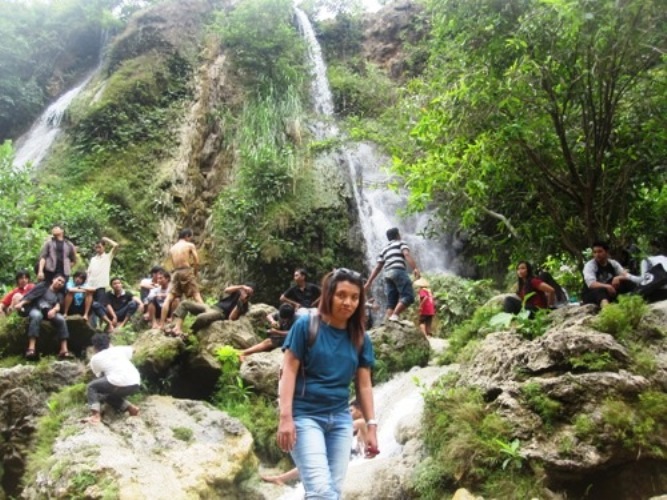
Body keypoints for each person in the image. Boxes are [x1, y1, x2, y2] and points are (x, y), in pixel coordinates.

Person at [278, 268, 378, 499]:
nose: (348, 302)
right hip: (305, 417)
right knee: (322, 493)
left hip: (341, 421)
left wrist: (371, 426)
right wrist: (285, 418)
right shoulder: (306, 326)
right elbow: (288, 371)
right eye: (341, 295)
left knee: (330, 492)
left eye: (354, 297)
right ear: (328, 295)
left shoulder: (361, 338)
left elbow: (364, 385)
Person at [262, 400, 368, 486]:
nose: (349, 413)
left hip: (351, 458)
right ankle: (280, 478)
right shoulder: (358, 426)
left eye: (351, 411)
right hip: (350, 457)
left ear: (361, 411)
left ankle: (280, 478)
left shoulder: (361, 422)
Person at [365, 227, 420, 322]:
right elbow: (406, 254)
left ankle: (388, 323)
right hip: (398, 271)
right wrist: (415, 268)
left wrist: (369, 282)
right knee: (408, 296)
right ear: (398, 235)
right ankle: (395, 315)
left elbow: (378, 267)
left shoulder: (384, 249)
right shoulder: (401, 243)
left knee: (392, 301)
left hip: (387, 275)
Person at [83, 333, 140, 424]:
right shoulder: (118, 349)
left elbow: (100, 375)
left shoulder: (95, 358)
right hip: (135, 382)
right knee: (105, 396)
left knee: (91, 387)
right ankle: (131, 408)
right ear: (109, 343)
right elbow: (134, 350)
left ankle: (95, 415)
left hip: (118, 382)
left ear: (95, 347)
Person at [14, 274, 73, 360]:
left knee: (61, 319)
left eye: (63, 282)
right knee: (37, 316)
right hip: (35, 309)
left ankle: (64, 349)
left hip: (50, 312)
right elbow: (31, 296)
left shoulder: (59, 294)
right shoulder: (43, 287)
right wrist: (21, 304)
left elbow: (58, 305)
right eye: (59, 280)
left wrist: (54, 310)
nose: (60, 283)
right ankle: (31, 348)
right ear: (53, 279)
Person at [166, 283, 255, 338]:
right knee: (185, 303)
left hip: (220, 313)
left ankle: (190, 334)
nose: (245, 293)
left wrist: (240, 302)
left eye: (248, 293)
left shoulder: (244, 306)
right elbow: (226, 290)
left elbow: (231, 318)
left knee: (202, 317)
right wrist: (241, 286)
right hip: (211, 307)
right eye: (245, 291)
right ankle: (177, 328)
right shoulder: (237, 291)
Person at [160, 228, 204, 327]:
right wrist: (195, 273)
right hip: (186, 271)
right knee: (197, 296)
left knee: (169, 298)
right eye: (190, 237)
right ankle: (206, 318)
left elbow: (173, 263)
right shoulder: (189, 245)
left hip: (176, 273)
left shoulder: (172, 248)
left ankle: (161, 325)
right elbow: (196, 261)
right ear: (187, 236)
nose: (190, 239)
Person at [582, 241, 636, 308]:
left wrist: (618, 278)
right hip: (592, 293)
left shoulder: (613, 263)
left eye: (599, 252)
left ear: (606, 252)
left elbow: (627, 276)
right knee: (600, 291)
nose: (597, 255)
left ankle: (638, 300)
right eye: (594, 252)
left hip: (610, 291)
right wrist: (607, 286)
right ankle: (608, 311)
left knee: (628, 282)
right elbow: (591, 284)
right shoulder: (590, 265)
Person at [85, 237, 120, 318]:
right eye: (96, 247)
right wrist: (86, 282)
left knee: (100, 306)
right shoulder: (93, 259)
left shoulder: (108, 257)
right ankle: (92, 325)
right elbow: (89, 271)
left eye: (100, 247)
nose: (98, 249)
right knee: (90, 306)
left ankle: (102, 323)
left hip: (101, 285)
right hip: (90, 285)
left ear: (104, 247)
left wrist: (107, 239)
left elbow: (116, 246)